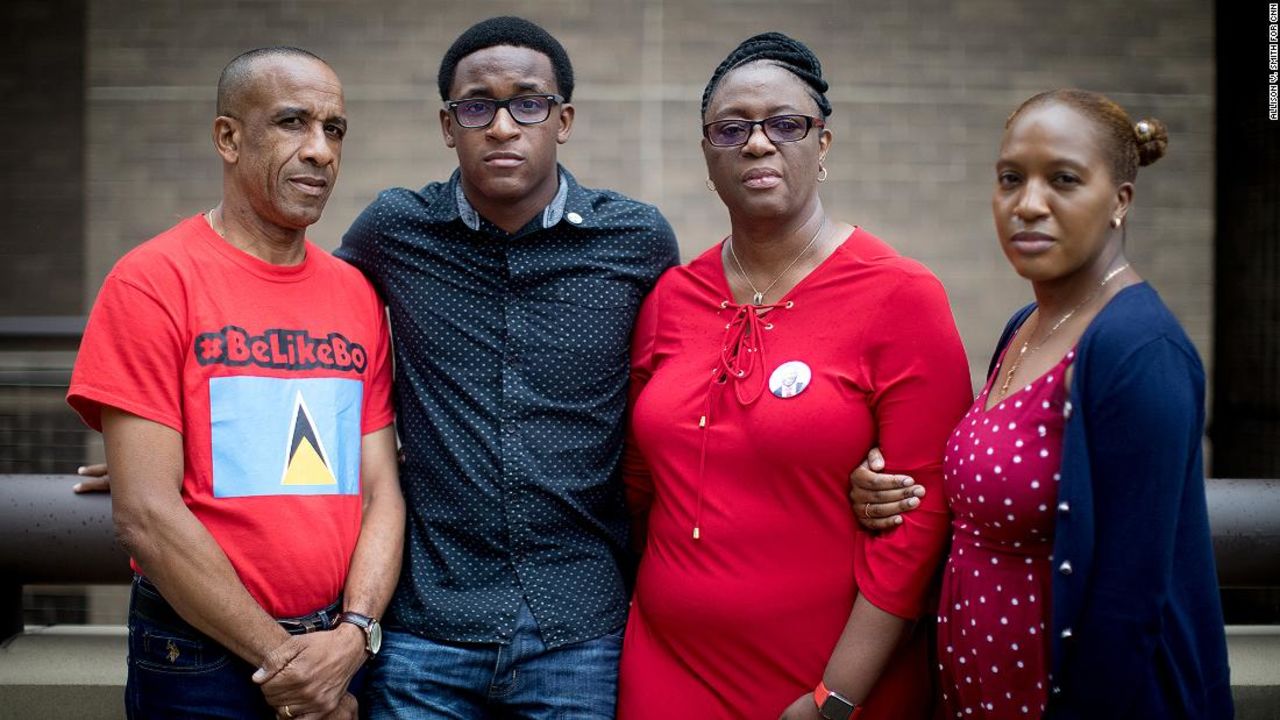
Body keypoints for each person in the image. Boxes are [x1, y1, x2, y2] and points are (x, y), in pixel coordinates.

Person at [616, 32, 973, 720]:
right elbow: (637, 485)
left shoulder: (900, 296)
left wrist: (834, 698)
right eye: (732, 128)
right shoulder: (669, 298)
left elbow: (921, 518)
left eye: (786, 125)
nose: (757, 143)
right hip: (666, 668)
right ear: (708, 154)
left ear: (824, 146)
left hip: (831, 681)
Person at [333, 17, 679, 719]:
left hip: (580, 626)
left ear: (563, 119)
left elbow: (698, 380)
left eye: (528, 103)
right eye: (476, 105)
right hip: (427, 625)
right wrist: (183, 443)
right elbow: (304, 330)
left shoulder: (637, 239)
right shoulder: (395, 229)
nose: (501, 125)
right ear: (447, 124)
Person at [850, 90, 1234, 718]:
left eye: (1063, 180)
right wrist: (881, 487)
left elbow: (1129, 604)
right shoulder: (1026, 326)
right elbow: (993, 483)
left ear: (1120, 201)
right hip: (979, 695)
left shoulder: (1140, 349)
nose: (1029, 204)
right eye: (1010, 179)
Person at [66, 47, 404, 720]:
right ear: (228, 137)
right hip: (198, 660)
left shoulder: (357, 294)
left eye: (334, 129)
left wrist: (350, 638)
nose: (320, 151)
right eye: (292, 123)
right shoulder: (151, 282)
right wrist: (289, 664)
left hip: (341, 652)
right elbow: (146, 516)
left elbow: (381, 493)